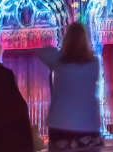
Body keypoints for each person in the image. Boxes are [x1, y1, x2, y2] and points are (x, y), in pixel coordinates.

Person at [36, 22, 103, 151]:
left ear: (66, 39)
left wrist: (62, 50)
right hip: (88, 123)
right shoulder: (94, 63)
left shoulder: (58, 60)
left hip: (60, 123)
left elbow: (42, 51)